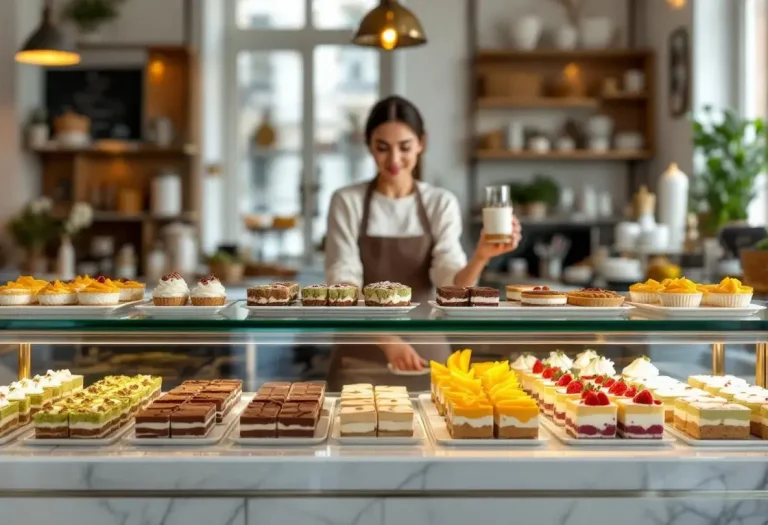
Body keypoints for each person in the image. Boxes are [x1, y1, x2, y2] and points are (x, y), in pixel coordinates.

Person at [324, 96, 521, 388]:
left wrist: (481, 256)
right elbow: (342, 288)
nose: (394, 160)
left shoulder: (439, 203)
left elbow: (450, 287)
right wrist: (389, 342)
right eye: (382, 148)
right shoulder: (347, 202)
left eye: (404, 147)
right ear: (369, 145)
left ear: (421, 143)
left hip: (425, 358)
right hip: (360, 358)